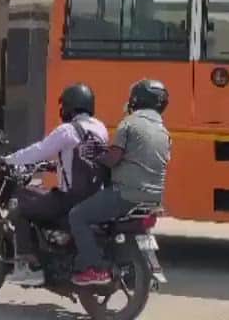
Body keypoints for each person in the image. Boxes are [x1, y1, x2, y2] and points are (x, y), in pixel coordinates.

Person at [0, 83, 108, 285]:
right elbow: (85, 160)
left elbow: (38, 150)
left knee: (20, 204)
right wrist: (55, 167)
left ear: (69, 106)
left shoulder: (67, 130)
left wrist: (9, 160)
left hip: (69, 199)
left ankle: (29, 266)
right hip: (93, 197)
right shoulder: (100, 129)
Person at [69, 78, 171, 287]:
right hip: (153, 200)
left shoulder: (129, 123)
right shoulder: (164, 131)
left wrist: (97, 155)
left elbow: (113, 159)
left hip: (126, 194)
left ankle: (95, 269)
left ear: (137, 99)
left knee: (77, 216)